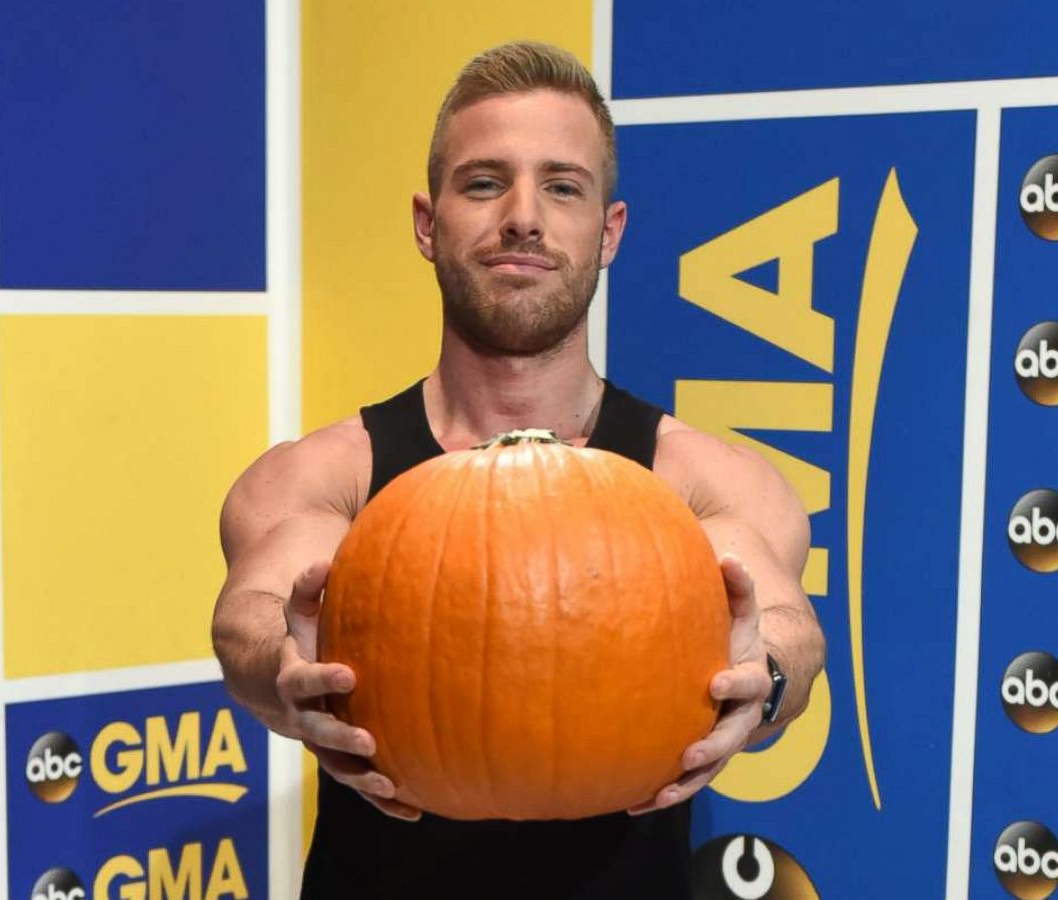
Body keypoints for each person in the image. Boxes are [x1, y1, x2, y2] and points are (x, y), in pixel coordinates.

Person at [212, 41, 825, 900]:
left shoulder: (700, 481)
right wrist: (284, 667)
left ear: (608, 231)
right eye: (485, 182)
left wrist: (763, 682)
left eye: (563, 186)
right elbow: (252, 613)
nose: (524, 217)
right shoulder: (333, 474)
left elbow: (789, 628)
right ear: (429, 224)